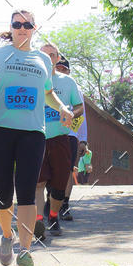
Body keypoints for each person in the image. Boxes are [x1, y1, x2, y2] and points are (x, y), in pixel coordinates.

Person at [0, 11, 73, 266]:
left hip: (33, 132)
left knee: (27, 191)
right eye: (17, 24)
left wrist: (63, 107)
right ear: (11, 27)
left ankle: (25, 251)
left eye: (27, 24)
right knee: (3, 193)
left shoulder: (42, 59)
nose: (22, 28)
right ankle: (8, 235)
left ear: (34, 28)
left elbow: (48, 93)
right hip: (0, 130)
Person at [35, 43, 83, 236]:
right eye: (44, 55)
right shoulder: (31, 79)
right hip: (36, 138)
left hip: (60, 138)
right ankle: (38, 221)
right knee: (38, 183)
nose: (48, 58)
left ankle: (53, 216)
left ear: (57, 58)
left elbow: (79, 106)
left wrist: (71, 113)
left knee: (59, 185)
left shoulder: (68, 81)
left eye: (52, 55)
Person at [54, 56, 86, 220]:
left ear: (69, 71)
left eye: (64, 69)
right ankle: (51, 203)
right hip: (48, 133)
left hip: (69, 135)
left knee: (67, 171)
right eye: (58, 68)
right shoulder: (46, 85)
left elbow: (82, 115)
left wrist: (83, 139)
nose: (60, 71)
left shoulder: (74, 88)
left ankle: (64, 205)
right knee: (49, 171)